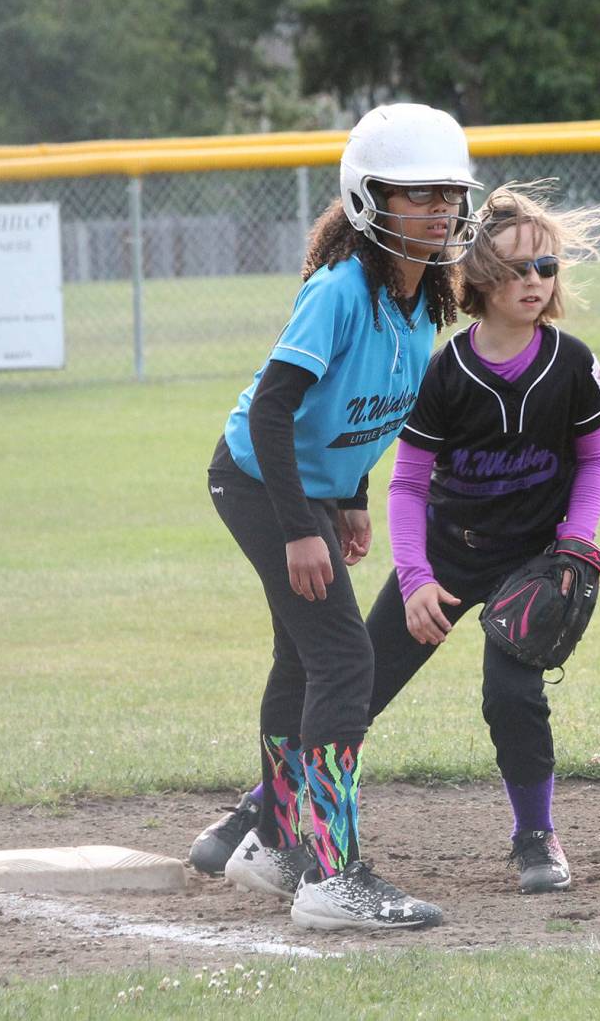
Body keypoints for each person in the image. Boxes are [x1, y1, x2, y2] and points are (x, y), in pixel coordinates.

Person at [193, 180, 600, 898]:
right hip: (446, 553)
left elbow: (594, 458)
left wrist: (577, 542)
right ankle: (266, 816)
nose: (537, 280)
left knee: (511, 694)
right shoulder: (445, 366)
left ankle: (534, 833)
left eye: (546, 267)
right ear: (482, 277)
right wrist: (416, 575)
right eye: (519, 266)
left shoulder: (565, 360)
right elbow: (407, 476)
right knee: (354, 681)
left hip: (531, 559)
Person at [203, 103, 482, 931]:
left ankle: (276, 848)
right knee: (344, 658)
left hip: (305, 492)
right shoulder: (339, 291)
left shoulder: (420, 300)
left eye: (448, 194)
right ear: (369, 200)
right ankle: (333, 874)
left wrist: (352, 496)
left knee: (303, 661)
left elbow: (363, 407)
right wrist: (298, 525)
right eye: (414, 193)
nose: (437, 209)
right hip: (260, 483)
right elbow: (272, 413)